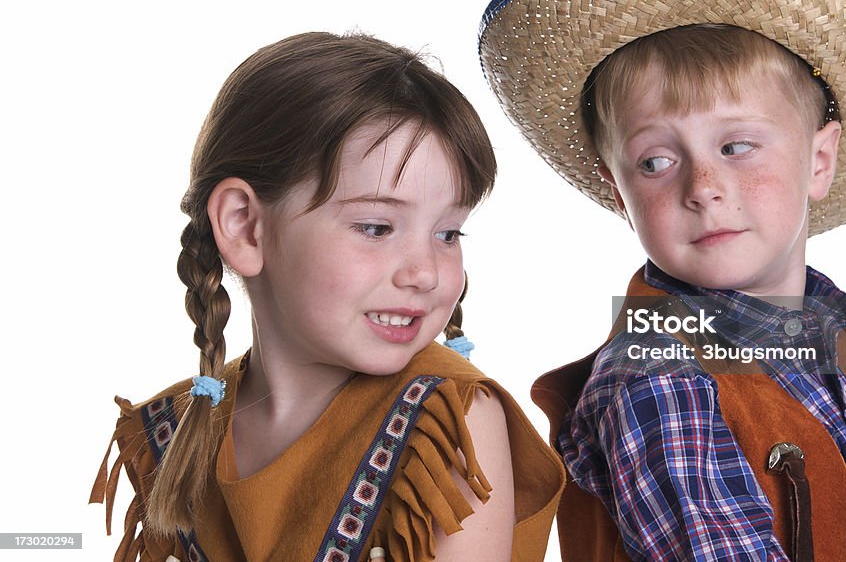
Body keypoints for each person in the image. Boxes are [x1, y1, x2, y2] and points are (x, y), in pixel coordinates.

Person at [478, 0, 846, 561]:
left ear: (820, 161)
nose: (702, 185)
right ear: (618, 191)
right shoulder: (659, 379)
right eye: (657, 161)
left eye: (736, 145)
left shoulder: (830, 328)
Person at [90, 32, 563, 562]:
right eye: (377, 227)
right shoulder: (174, 434)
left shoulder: (446, 414)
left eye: (449, 234)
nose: (426, 273)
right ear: (245, 227)